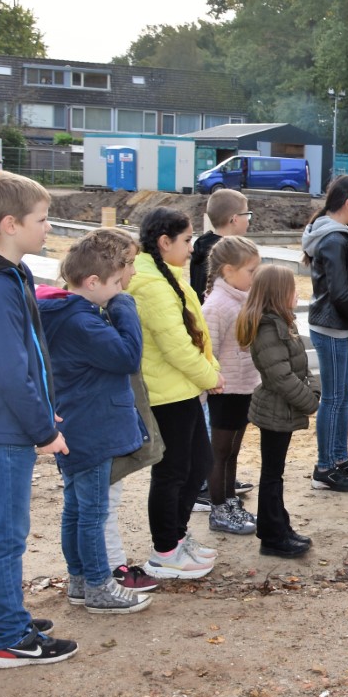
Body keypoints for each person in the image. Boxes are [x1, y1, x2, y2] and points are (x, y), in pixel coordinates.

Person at [0, 170, 77, 667]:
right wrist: (44, 428)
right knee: (7, 535)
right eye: (42, 220)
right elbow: (9, 368)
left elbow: (27, 357)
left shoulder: (8, 276)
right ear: (10, 224)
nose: (47, 228)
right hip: (5, 424)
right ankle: (11, 638)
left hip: (8, 418)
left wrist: (42, 406)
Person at [36, 231, 153, 615]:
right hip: (92, 428)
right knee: (92, 513)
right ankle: (100, 585)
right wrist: (124, 306)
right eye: (116, 282)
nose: (122, 287)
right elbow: (126, 356)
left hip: (79, 425)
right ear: (93, 283)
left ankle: (80, 581)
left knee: (77, 509)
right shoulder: (80, 321)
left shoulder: (68, 313)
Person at [128, 207, 223, 580]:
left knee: (198, 464)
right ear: (164, 242)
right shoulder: (151, 286)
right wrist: (209, 376)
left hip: (182, 389)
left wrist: (206, 372)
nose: (191, 247)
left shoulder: (168, 276)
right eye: (186, 240)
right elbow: (176, 345)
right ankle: (165, 550)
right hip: (167, 393)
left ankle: (178, 537)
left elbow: (194, 333)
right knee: (173, 472)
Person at [301, 175, 348, 492]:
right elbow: (339, 292)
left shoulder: (338, 235)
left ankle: (340, 458)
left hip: (337, 325)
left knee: (343, 395)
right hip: (330, 326)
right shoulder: (333, 239)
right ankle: (324, 467)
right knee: (333, 398)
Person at [237, 265, 320, 558]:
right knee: (272, 475)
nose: (297, 293)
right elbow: (281, 376)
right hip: (275, 411)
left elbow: (301, 366)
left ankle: (279, 527)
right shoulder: (267, 328)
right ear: (277, 293)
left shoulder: (282, 322)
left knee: (276, 474)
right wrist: (310, 402)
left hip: (282, 408)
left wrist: (314, 389)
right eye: (292, 288)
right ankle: (272, 536)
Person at [102, 230, 162, 593]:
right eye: (129, 264)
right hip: (102, 421)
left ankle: (106, 566)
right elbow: (128, 357)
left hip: (111, 416)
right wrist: (123, 304)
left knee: (106, 498)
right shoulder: (107, 309)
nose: (134, 273)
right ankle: (110, 568)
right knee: (102, 501)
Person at [201, 236, 262, 534]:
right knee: (220, 452)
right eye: (251, 270)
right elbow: (206, 350)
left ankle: (230, 500)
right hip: (224, 391)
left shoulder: (243, 299)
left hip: (244, 388)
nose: (255, 276)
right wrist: (210, 381)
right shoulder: (217, 305)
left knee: (233, 451)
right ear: (228, 270)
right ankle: (218, 509)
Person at [190, 189, 252, 303]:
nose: (248, 221)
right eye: (247, 214)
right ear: (235, 219)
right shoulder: (231, 253)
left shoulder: (200, 245)